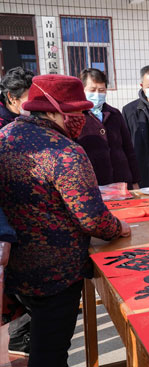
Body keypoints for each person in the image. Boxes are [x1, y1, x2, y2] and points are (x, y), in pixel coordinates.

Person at [0, 74, 131, 366]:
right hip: (56, 273)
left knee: (41, 343)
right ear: (51, 109)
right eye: (77, 113)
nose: (83, 119)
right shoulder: (66, 151)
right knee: (51, 351)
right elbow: (92, 218)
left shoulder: (5, 137)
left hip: (16, 268)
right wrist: (118, 227)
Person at [0, 66, 34, 357]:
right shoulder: (4, 127)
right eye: (28, 99)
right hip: (8, 226)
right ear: (12, 99)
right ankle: (19, 344)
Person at [78, 68, 140, 189]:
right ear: (82, 90)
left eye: (101, 90)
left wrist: (135, 180)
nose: (97, 94)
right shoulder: (77, 116)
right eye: (92, 90)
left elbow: (128, 149)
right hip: (93, 182)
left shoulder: (115, 114)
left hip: (121, 180)